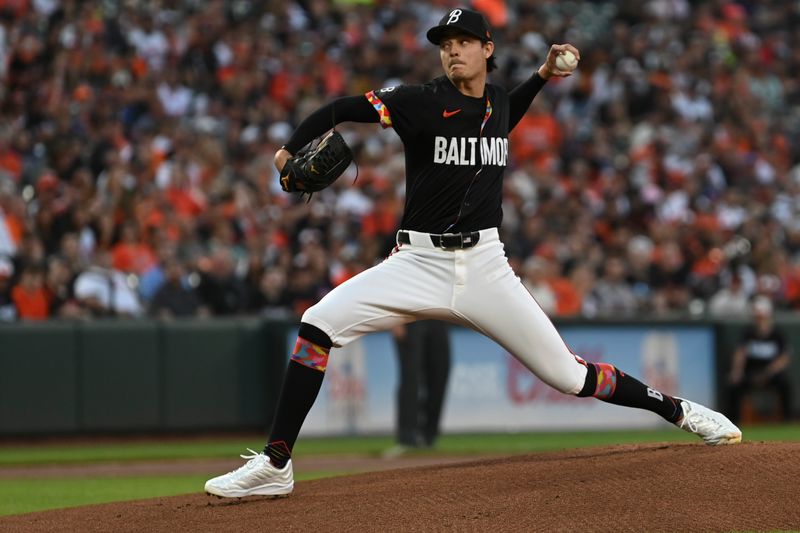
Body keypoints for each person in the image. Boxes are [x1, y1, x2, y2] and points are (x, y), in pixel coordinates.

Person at [205, 8, 741, 499]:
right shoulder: (419, 101)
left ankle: (681, 411)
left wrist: (543, 76)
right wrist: (287, 150)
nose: (452, 50)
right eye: (445, 43)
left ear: (487, 49)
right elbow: (340, 108)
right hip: (416, 263)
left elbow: (510, 112)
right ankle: (276, 465)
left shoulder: (500, 99)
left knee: (570, 377)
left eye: (463, 41)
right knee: (316, 324)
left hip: (485, 266)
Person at [388, 320, 451, 454]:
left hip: (437, 316)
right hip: (409, 316)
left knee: (440, 373)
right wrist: (395, 322)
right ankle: (407, 437)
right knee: (411, 378)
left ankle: (429, 436)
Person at [728, 296, 793, 423]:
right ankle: (733, 421)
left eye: (762, 317)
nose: (759, 320)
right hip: (751, 372)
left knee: (785, 385)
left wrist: (768, 373)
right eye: (757, 317)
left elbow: (785, 357)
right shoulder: (748, 332)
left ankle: (787, 420)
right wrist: (737, 372)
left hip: (770, 373)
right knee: (734, 386)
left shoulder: (777, 333)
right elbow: (740, 353)